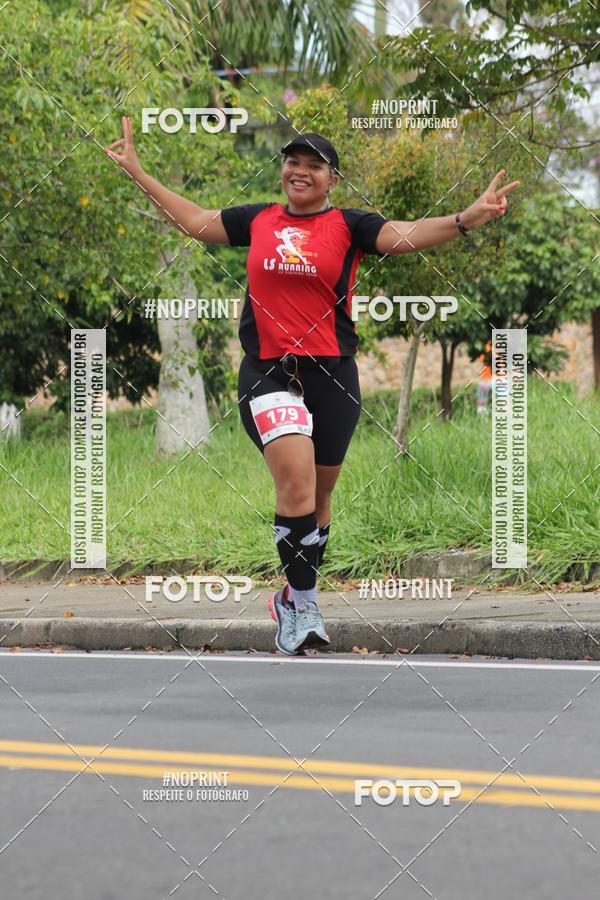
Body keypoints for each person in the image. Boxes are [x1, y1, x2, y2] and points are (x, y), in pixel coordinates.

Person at [104, 118, 520, 655]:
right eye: (292, 162)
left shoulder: (350, 226)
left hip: (333, 376)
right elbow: (193, 220)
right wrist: (139, 172)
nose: (299, 171)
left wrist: (467, 218)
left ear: (331, 178)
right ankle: (302, 603)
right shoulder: (257, 220)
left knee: (320, 502)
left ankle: (298, 596)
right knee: (296, 483)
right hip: (269, 372)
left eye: (313, 165)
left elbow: (409, 233)